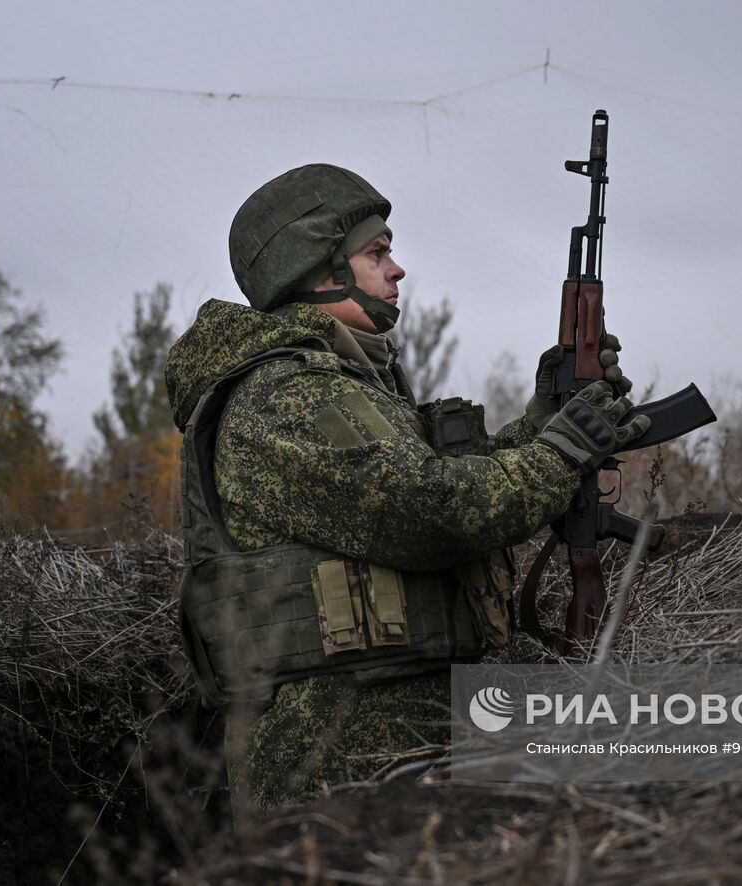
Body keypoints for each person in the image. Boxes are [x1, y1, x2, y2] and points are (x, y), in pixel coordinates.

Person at [164, 163, 647, 805]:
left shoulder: (346, 384)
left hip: (397, 734)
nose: (397, 270)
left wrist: (543, 424)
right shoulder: (288, 396)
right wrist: (562, 451)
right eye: (376, 252)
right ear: (317, 271)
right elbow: (433, 513)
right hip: (344, 755)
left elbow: (435, 481)